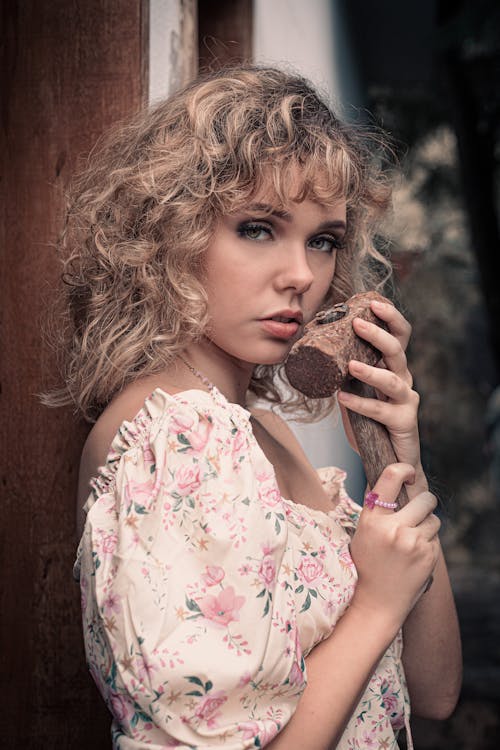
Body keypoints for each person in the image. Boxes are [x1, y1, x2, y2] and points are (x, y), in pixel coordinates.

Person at [46, 65, 462, 748]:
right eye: (259, 228)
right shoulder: (177, 436)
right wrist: (375, 603)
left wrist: (400, 461)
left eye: (322, 240)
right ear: (172, 235)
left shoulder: (260, 435)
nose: (301, 274)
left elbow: (435, 687)